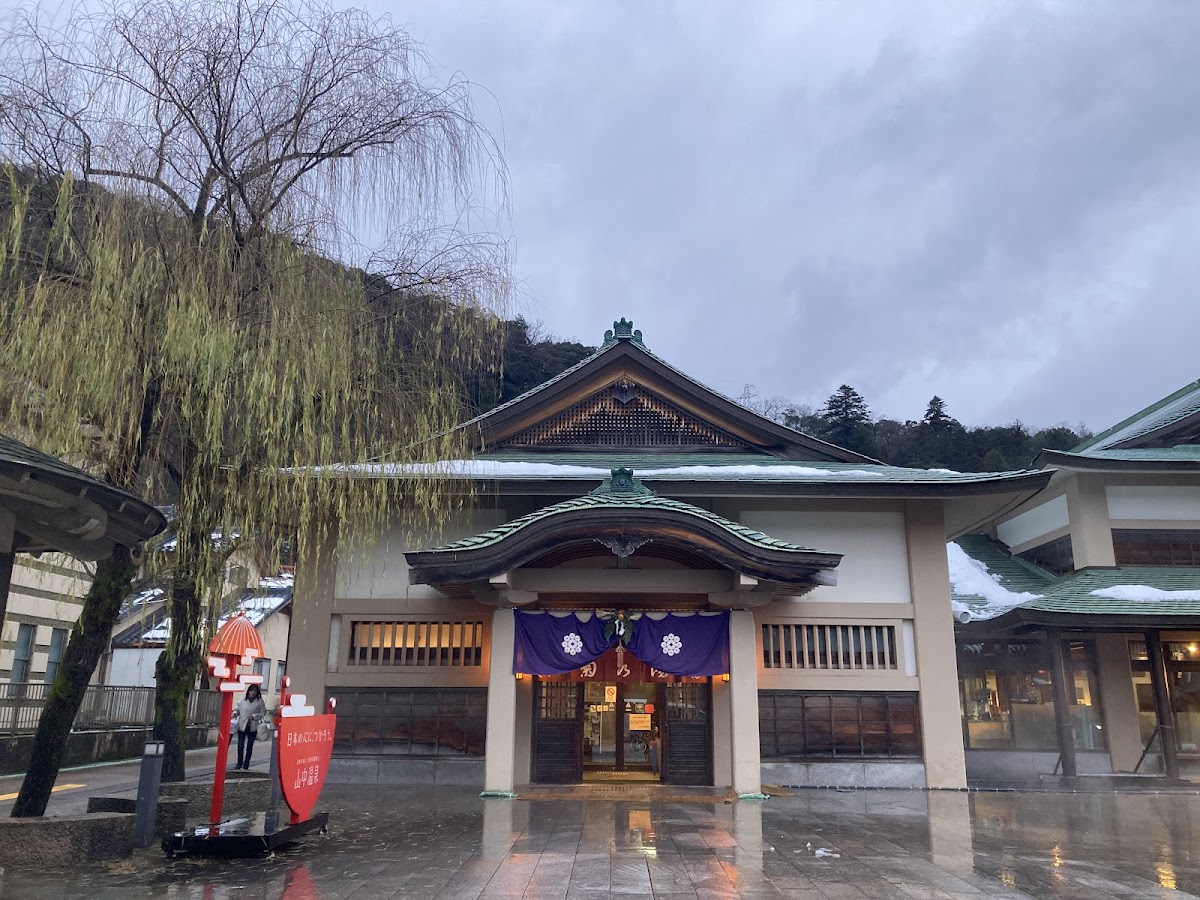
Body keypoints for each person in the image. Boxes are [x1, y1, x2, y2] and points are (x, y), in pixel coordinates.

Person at [234, 684, 267, 770]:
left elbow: (263, 713)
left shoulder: (259, 702)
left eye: (255, 691)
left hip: (252, 726)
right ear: (248, 691)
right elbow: (237, 710)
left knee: (249, 746)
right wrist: (235, 714)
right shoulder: (242, 701)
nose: (253, 693)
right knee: (240, 745)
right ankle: (239, 762)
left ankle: (246, 764)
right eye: (251, 690)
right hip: (242, 725)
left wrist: (254, 716)